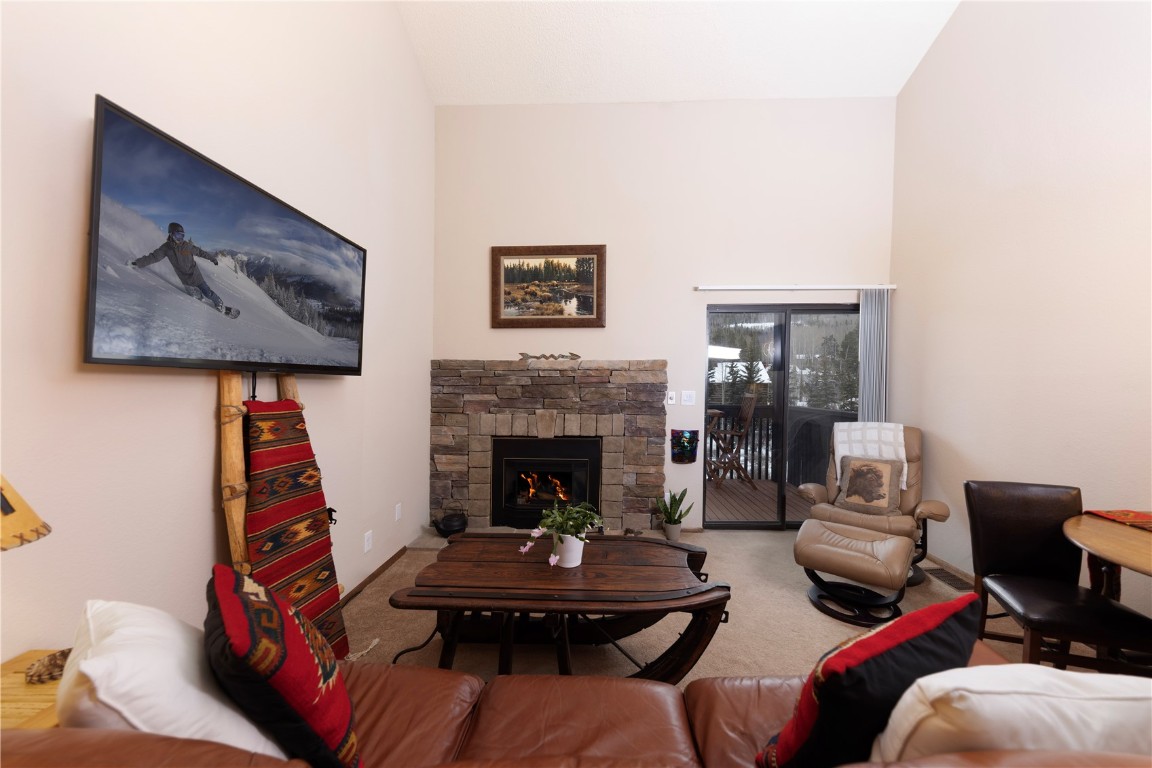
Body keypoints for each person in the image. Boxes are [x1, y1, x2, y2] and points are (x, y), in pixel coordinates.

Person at [130, 222, 226, 312]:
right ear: (171, 234)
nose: (180, 239)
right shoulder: (166, 248)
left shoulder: (187, 246)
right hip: (185, 280)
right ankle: (200, 297)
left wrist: (213, 259)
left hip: (196, 276)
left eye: (182, 236)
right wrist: (138, 263)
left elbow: (201, 252)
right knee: (195, 296)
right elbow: (154, 257)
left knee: (207, 292)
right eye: (178, 235)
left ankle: (219, 303)